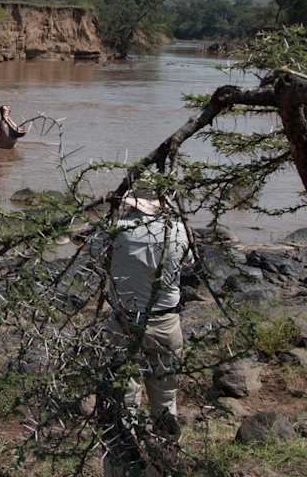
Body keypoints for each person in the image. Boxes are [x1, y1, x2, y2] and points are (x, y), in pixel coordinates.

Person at [99, 194, 190, 476]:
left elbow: (95, 254)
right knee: (166, 400)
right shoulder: (178, 231)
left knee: (123, 404)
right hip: (166, 323)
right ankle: (166, 465)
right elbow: (188, 262)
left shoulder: (115, 231)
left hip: (125, 324)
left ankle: (124, 469)